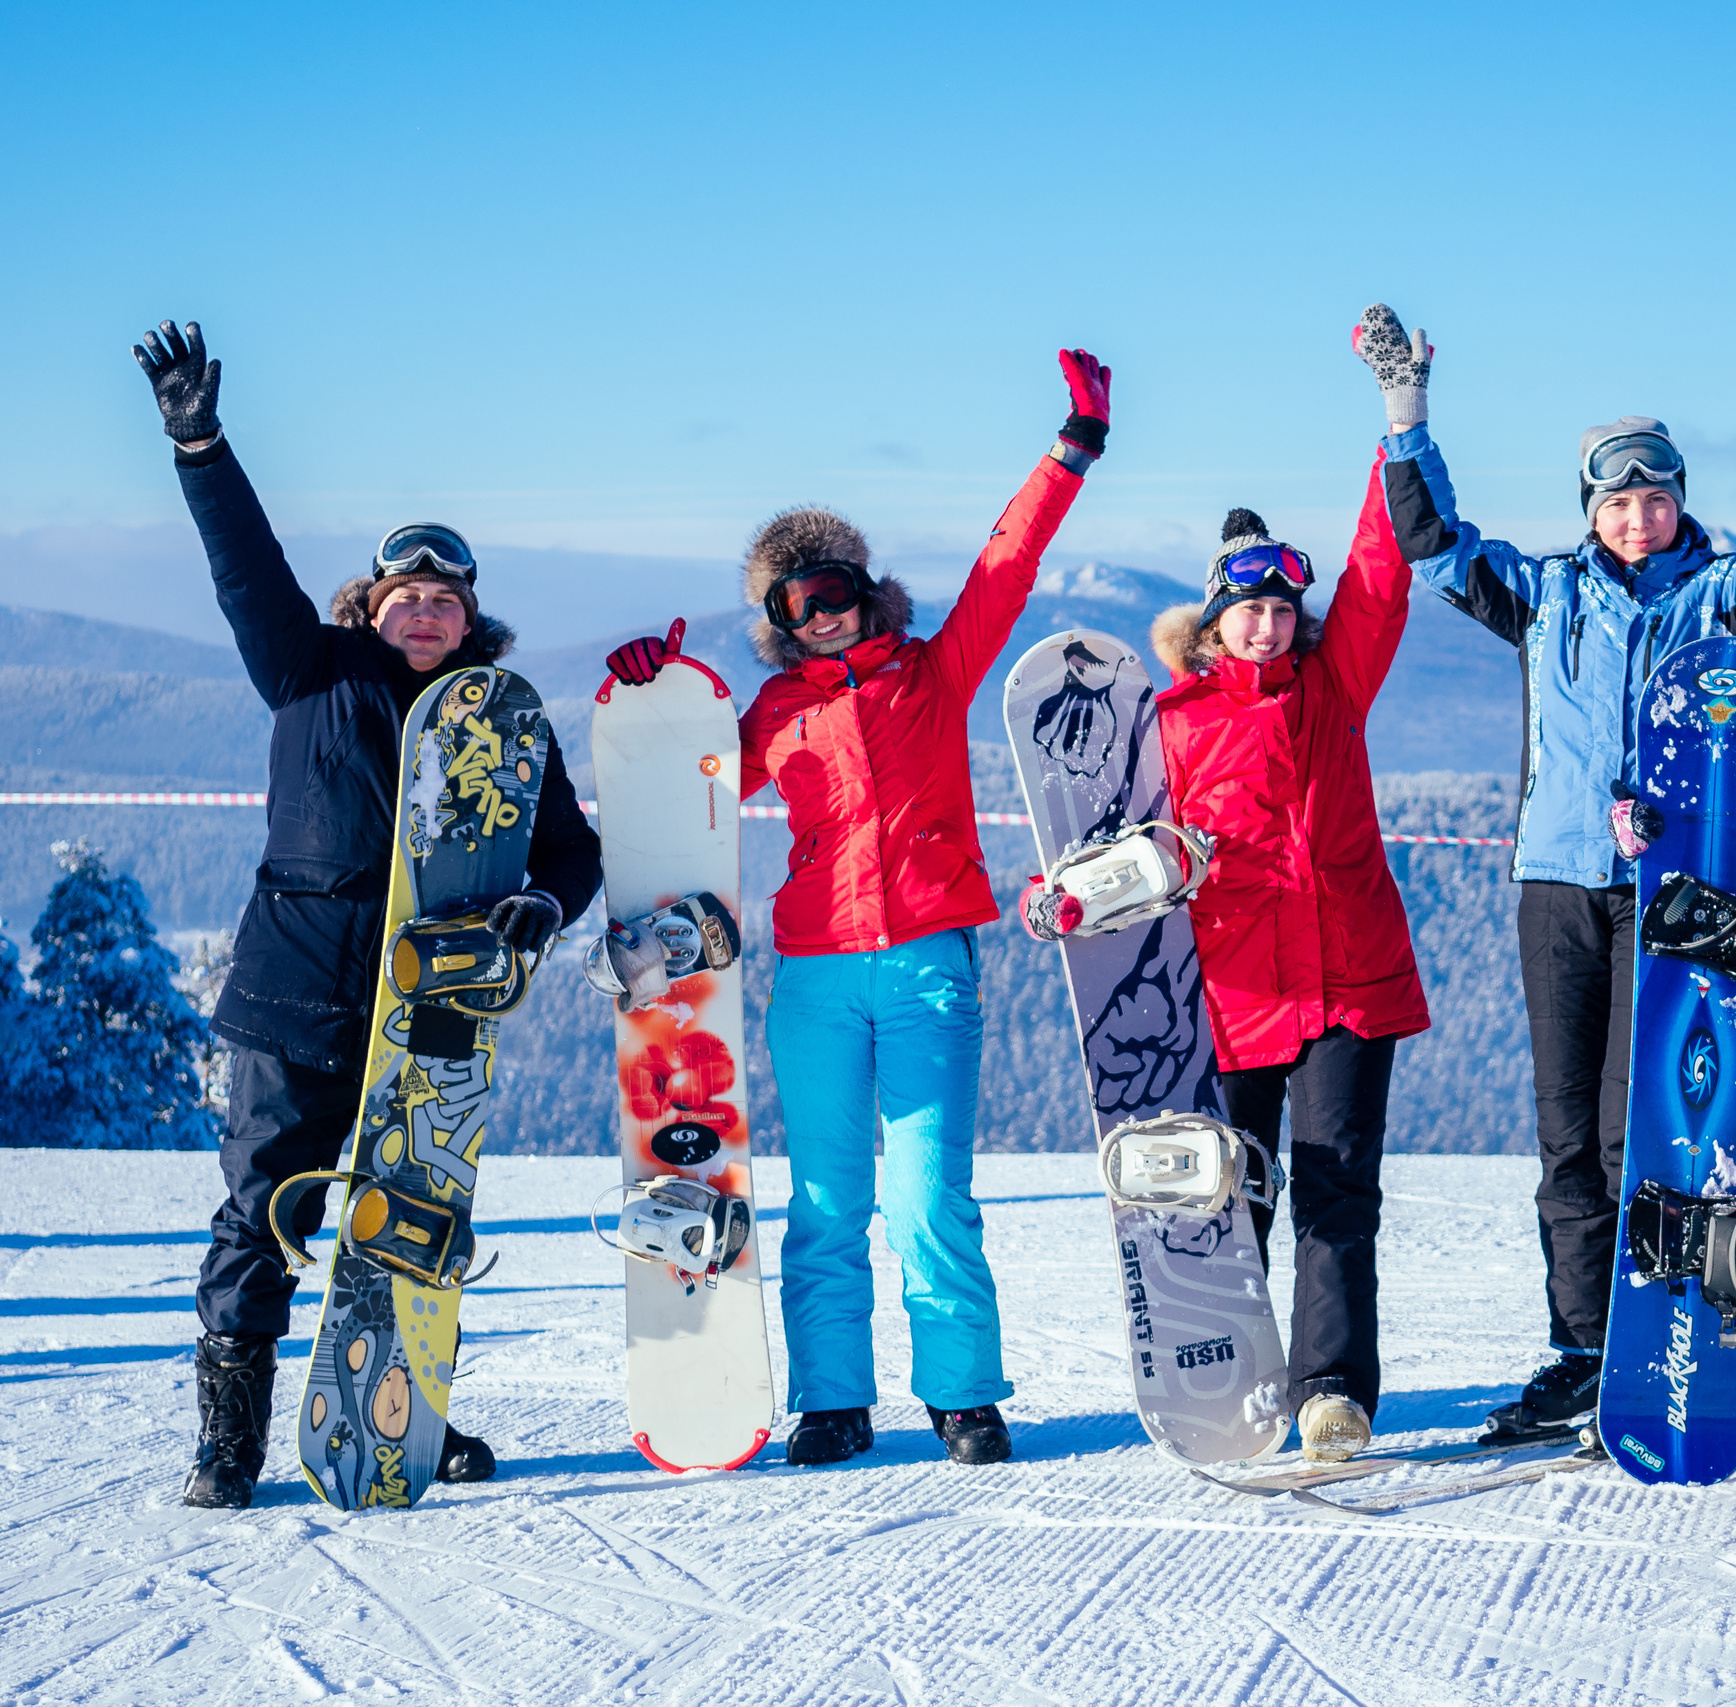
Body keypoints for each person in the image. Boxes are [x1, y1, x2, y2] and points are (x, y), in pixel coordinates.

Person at [604, 348, 1113, 1469]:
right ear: (777, 619)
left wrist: (1068, 452)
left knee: (930, 1197)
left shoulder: (933, 671)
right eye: (794, 605)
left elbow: (1005, 566)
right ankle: (833, 1400)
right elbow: (680, 781)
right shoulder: (775, 712)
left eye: (832, 593)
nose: (818, 616)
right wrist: (642, 691)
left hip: (930, 960)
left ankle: (962, 1395)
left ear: (864, 591)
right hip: (819, 974)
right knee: (829, 1200)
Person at [1366, 297, 1736, 1435]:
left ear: (1680, 497)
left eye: (1653, 496)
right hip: (1554, 886)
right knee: (1564, 1141)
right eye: (1614, 499)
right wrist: (1407, 415)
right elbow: (1432, 546)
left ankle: (1681, 1329)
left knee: (1644, 1128)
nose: (1636, 517)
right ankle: (1582, 1348)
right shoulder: (1546, 597)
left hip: (1675, 896)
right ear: (1589, 507)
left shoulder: (1718, 594)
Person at [134, 321, 602, 1510]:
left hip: (427, 1014)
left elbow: (572, 855)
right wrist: (200, 444)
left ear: (469, 619)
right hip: (295, 994)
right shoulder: (310, 669)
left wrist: (534, 917)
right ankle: (226, 1446)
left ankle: (394, 1421)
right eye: (409, 597)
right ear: (373, 606)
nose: (428, 614)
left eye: (447, 601)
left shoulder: (501, 721)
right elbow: (244, 564)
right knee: (260, 1211)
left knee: (410, 1219)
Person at [1120, 426, 1427, 1462]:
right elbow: (1109, 844)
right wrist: (1059, 900)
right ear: (1213, 623)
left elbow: (1380, 582)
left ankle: (1332, 1390)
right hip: (1233, 990)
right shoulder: (1168, 724)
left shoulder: (1333, 689)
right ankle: (1235, 1376)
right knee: (1230, 1188)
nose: (1266, 625)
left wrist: (1398, 429)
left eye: (1282, 609)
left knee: (1337, 1191)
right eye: (1247, 609)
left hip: (1347, 982)